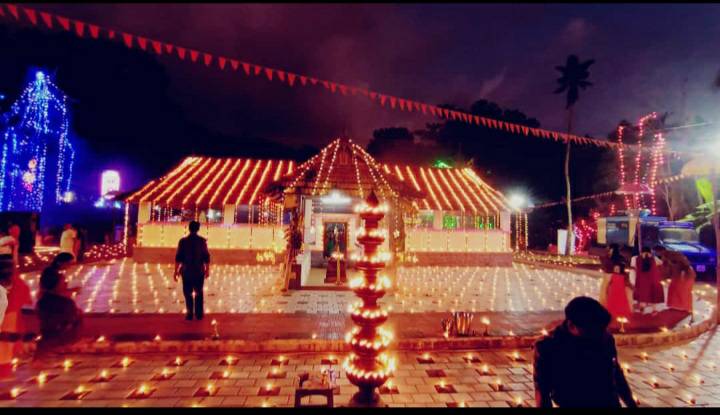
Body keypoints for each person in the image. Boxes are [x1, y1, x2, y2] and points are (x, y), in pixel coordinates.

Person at [534, 296, 637, 408]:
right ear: (571, 326)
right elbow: (542, 391)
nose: (599, 334)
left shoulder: (604, 337)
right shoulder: (549, 346)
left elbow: (615, 372)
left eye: (602, 329)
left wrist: (630, 402)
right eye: (592, 330)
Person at [35, 266, 83, 356]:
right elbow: (71, 325)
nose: (66, 283)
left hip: (46, 340)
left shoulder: (42, 301)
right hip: (63, 342)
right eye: (63, 281)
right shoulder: (66, 303)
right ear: (57, 284)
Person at [174, 221, 210, 321]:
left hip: (186, 271)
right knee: (199, 292)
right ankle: (199, 314)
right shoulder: (202, 241)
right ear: (198, 229)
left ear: (189, 229)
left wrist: (176, 271)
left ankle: (189, 313)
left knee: (187, 292)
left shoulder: (183, 241)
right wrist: (207, 270)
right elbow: (206, 257)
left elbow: (178, 257)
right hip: (199, 271)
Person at [630, 247, 664, 314]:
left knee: (643, 294)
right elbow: (661, 264)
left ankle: (642, 308)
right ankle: (654, 310)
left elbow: (633, 268)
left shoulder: (636, 258)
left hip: (641, 280)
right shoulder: (654, 258)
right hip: (652, 280)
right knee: (653, 294)